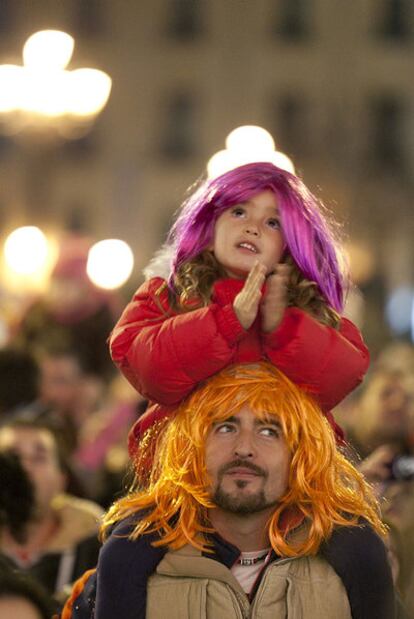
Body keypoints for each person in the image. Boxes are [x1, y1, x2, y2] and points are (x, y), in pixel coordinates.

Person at [63, 363, 395, 619]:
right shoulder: (133, 557)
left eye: (268, 431)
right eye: (225, 427)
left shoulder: (355, 556)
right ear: (193, 446)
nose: (244, 448)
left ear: (299, 454)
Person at [109, 162, 369, 462]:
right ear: (209, 228)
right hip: (188, 473)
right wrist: (224, 323)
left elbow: (343, 374)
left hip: (286, 480)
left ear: (289, 245)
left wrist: (284, 329)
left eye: (273, 223)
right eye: (239, 212)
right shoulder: (168, 294)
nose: (253, 227)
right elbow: (145, 366)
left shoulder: (312, 311)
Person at [0, 420, 103, 599]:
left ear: (61, 479)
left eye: (39, 458)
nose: (25, 467)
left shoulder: (95, 548)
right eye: (13, 456)